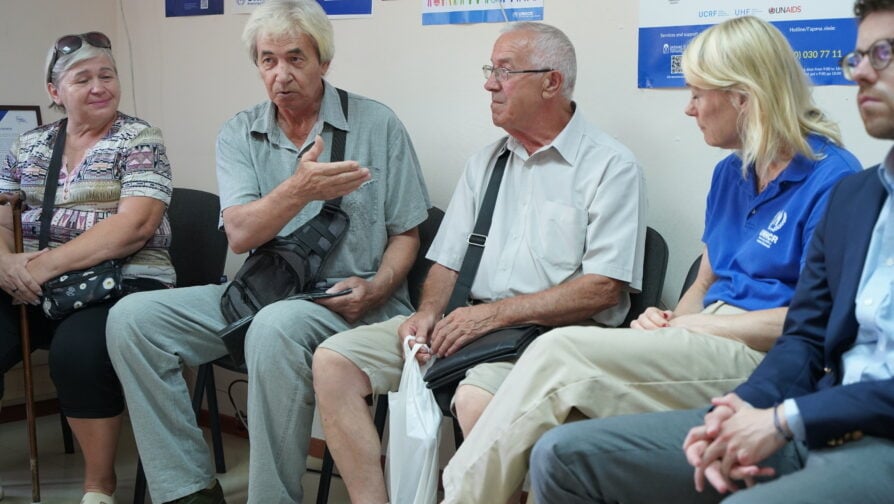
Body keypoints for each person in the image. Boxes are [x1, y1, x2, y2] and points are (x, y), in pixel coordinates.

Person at [439, 15, 865, 504]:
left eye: (698, 94)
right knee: (546, 418)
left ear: (743, 96)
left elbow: (818, 324)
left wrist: (700, 329)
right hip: (705, 336)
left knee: (560, 353)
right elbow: (707, 281)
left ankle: (456, 498)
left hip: (768, 355)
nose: (689, 109)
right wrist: (671, 319)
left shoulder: (831, 179)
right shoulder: (732, 173)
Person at [105, 0, 430, 502]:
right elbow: (239, 235)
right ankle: (187, 487)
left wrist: (378, 287)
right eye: (268, 60)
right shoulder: (240, 132)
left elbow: (407, 231)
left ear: (324, 61)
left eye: (296, 59)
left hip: (352, 301)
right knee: (133, 320)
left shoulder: (377, 123)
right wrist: (297, 189)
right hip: (261, 290)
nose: (281, 74)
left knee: (276, 326)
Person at [312, 21, 647, 504]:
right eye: (491, 69)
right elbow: (446, 263)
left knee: (476, 399)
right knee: (335, 360)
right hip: (468, 325)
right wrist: (428, 315)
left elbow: (602, 290)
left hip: (547, 341)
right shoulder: (486, 162)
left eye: (504, 71)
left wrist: (491, 315)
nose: (490, 83)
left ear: (551, 82)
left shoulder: (611, 167)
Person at [0, 31, 174, 504]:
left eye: (107, 75)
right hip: (36, 282)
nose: (100, 86)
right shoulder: (29, 146)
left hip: (121, 279)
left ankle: (99, 485)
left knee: (77, 352)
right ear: (55, 92)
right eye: (83, 79)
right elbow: (0, 211)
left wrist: (38, 268)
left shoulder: (140, 138)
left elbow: (134, 227)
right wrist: (6, 263)